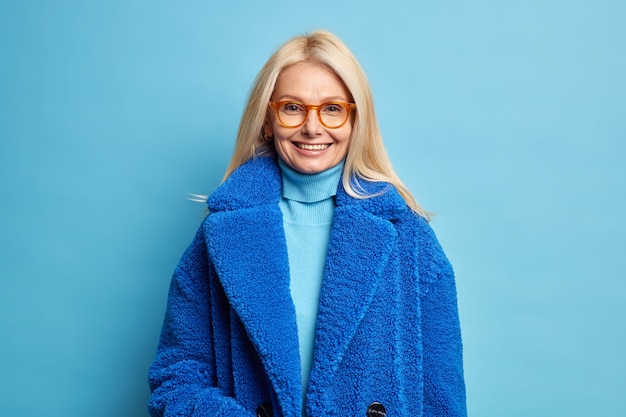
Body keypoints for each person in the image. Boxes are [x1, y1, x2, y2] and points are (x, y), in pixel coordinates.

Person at [148, 30, 466, 417]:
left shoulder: (407, 236)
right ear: (268, 120)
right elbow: (176, 379)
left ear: (355, 121)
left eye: (332, 108)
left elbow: (442, 396)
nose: (312, 128)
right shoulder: (220, 236)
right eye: (293, 107)